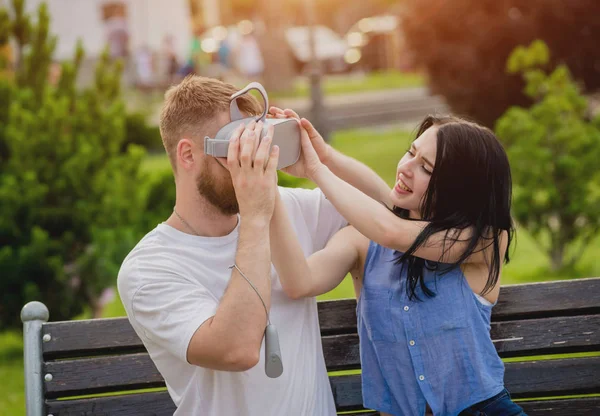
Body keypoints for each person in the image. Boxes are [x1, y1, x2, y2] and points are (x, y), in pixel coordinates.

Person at [116, 75, 389, 415]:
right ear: (188, 155)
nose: (252, 161)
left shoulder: (285, 207)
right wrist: (256, 217)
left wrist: (322, 164)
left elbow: (389, 210)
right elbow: (238, 349)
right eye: (236, 148)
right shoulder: (149, 268)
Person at [266, 115, 526, 416]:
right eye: (410, 152)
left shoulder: (482, 241)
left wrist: (317, 169)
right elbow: (300, 282)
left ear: (459, 187)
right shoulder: (361, 243)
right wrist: (269, 190)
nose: (404, 168)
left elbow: (392, 229)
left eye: (426, 167)